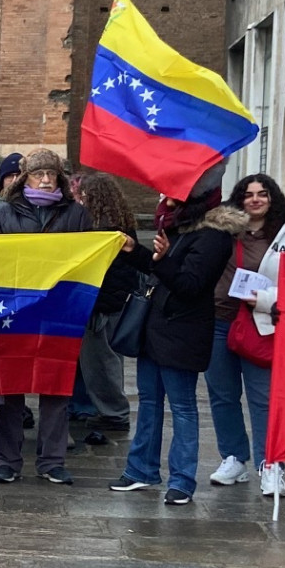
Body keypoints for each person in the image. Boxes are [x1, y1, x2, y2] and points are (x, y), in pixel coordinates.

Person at [110, 173, 244, 505]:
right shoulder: (176, 225)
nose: (164, 200)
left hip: (182, 332)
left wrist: (164, 259)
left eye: (172, 195)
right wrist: (134, 251)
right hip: (154, 328)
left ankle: (182, 480)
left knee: (182, 407)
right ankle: (141, 469)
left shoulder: (214, 236)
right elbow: (159, 269)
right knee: (149, 402)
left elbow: (189, 285)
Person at [0, 148, 92, 484]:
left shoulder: (75, 215)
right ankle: (8, 460)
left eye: (51, 175)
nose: (44, 180)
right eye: (38, 174)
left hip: (59, 311)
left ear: (59, 178)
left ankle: (51, 461)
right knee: (9, 388)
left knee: (56, 388)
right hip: (12, 312)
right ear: (25, 177)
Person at [205, 174, 285, 495]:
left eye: (262, 194)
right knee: (222, 394)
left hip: (261, 324)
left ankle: (270, 464)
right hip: (218, 321)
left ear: (273, 199)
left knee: (262, 399)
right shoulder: (224, 233)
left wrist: (267, 300)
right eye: (248, 194)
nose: (255, 199)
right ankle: (234, 458)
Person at [73, 172, 141, 445]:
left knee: (101, 362)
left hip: (102, 306)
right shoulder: (122, 224)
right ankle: (112, 411)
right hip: (112, 304)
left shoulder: (101, 229)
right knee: (105, 360)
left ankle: (114, 413)